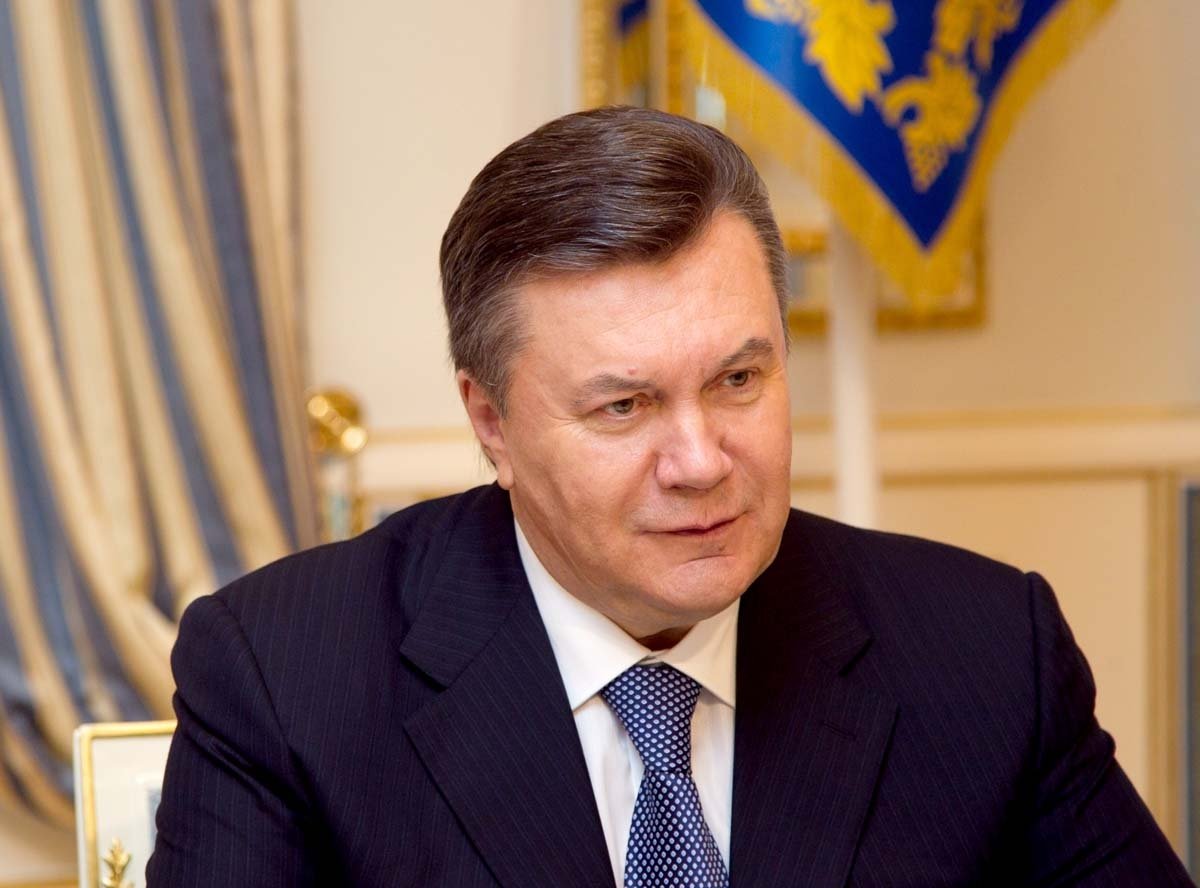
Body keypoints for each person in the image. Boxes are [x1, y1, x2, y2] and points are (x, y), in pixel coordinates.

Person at [147, 107, 1193, 887]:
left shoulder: (986, 654)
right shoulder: (286, 678)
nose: (700, 461)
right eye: (624, 406)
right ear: (492, 424)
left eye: (739, 380)